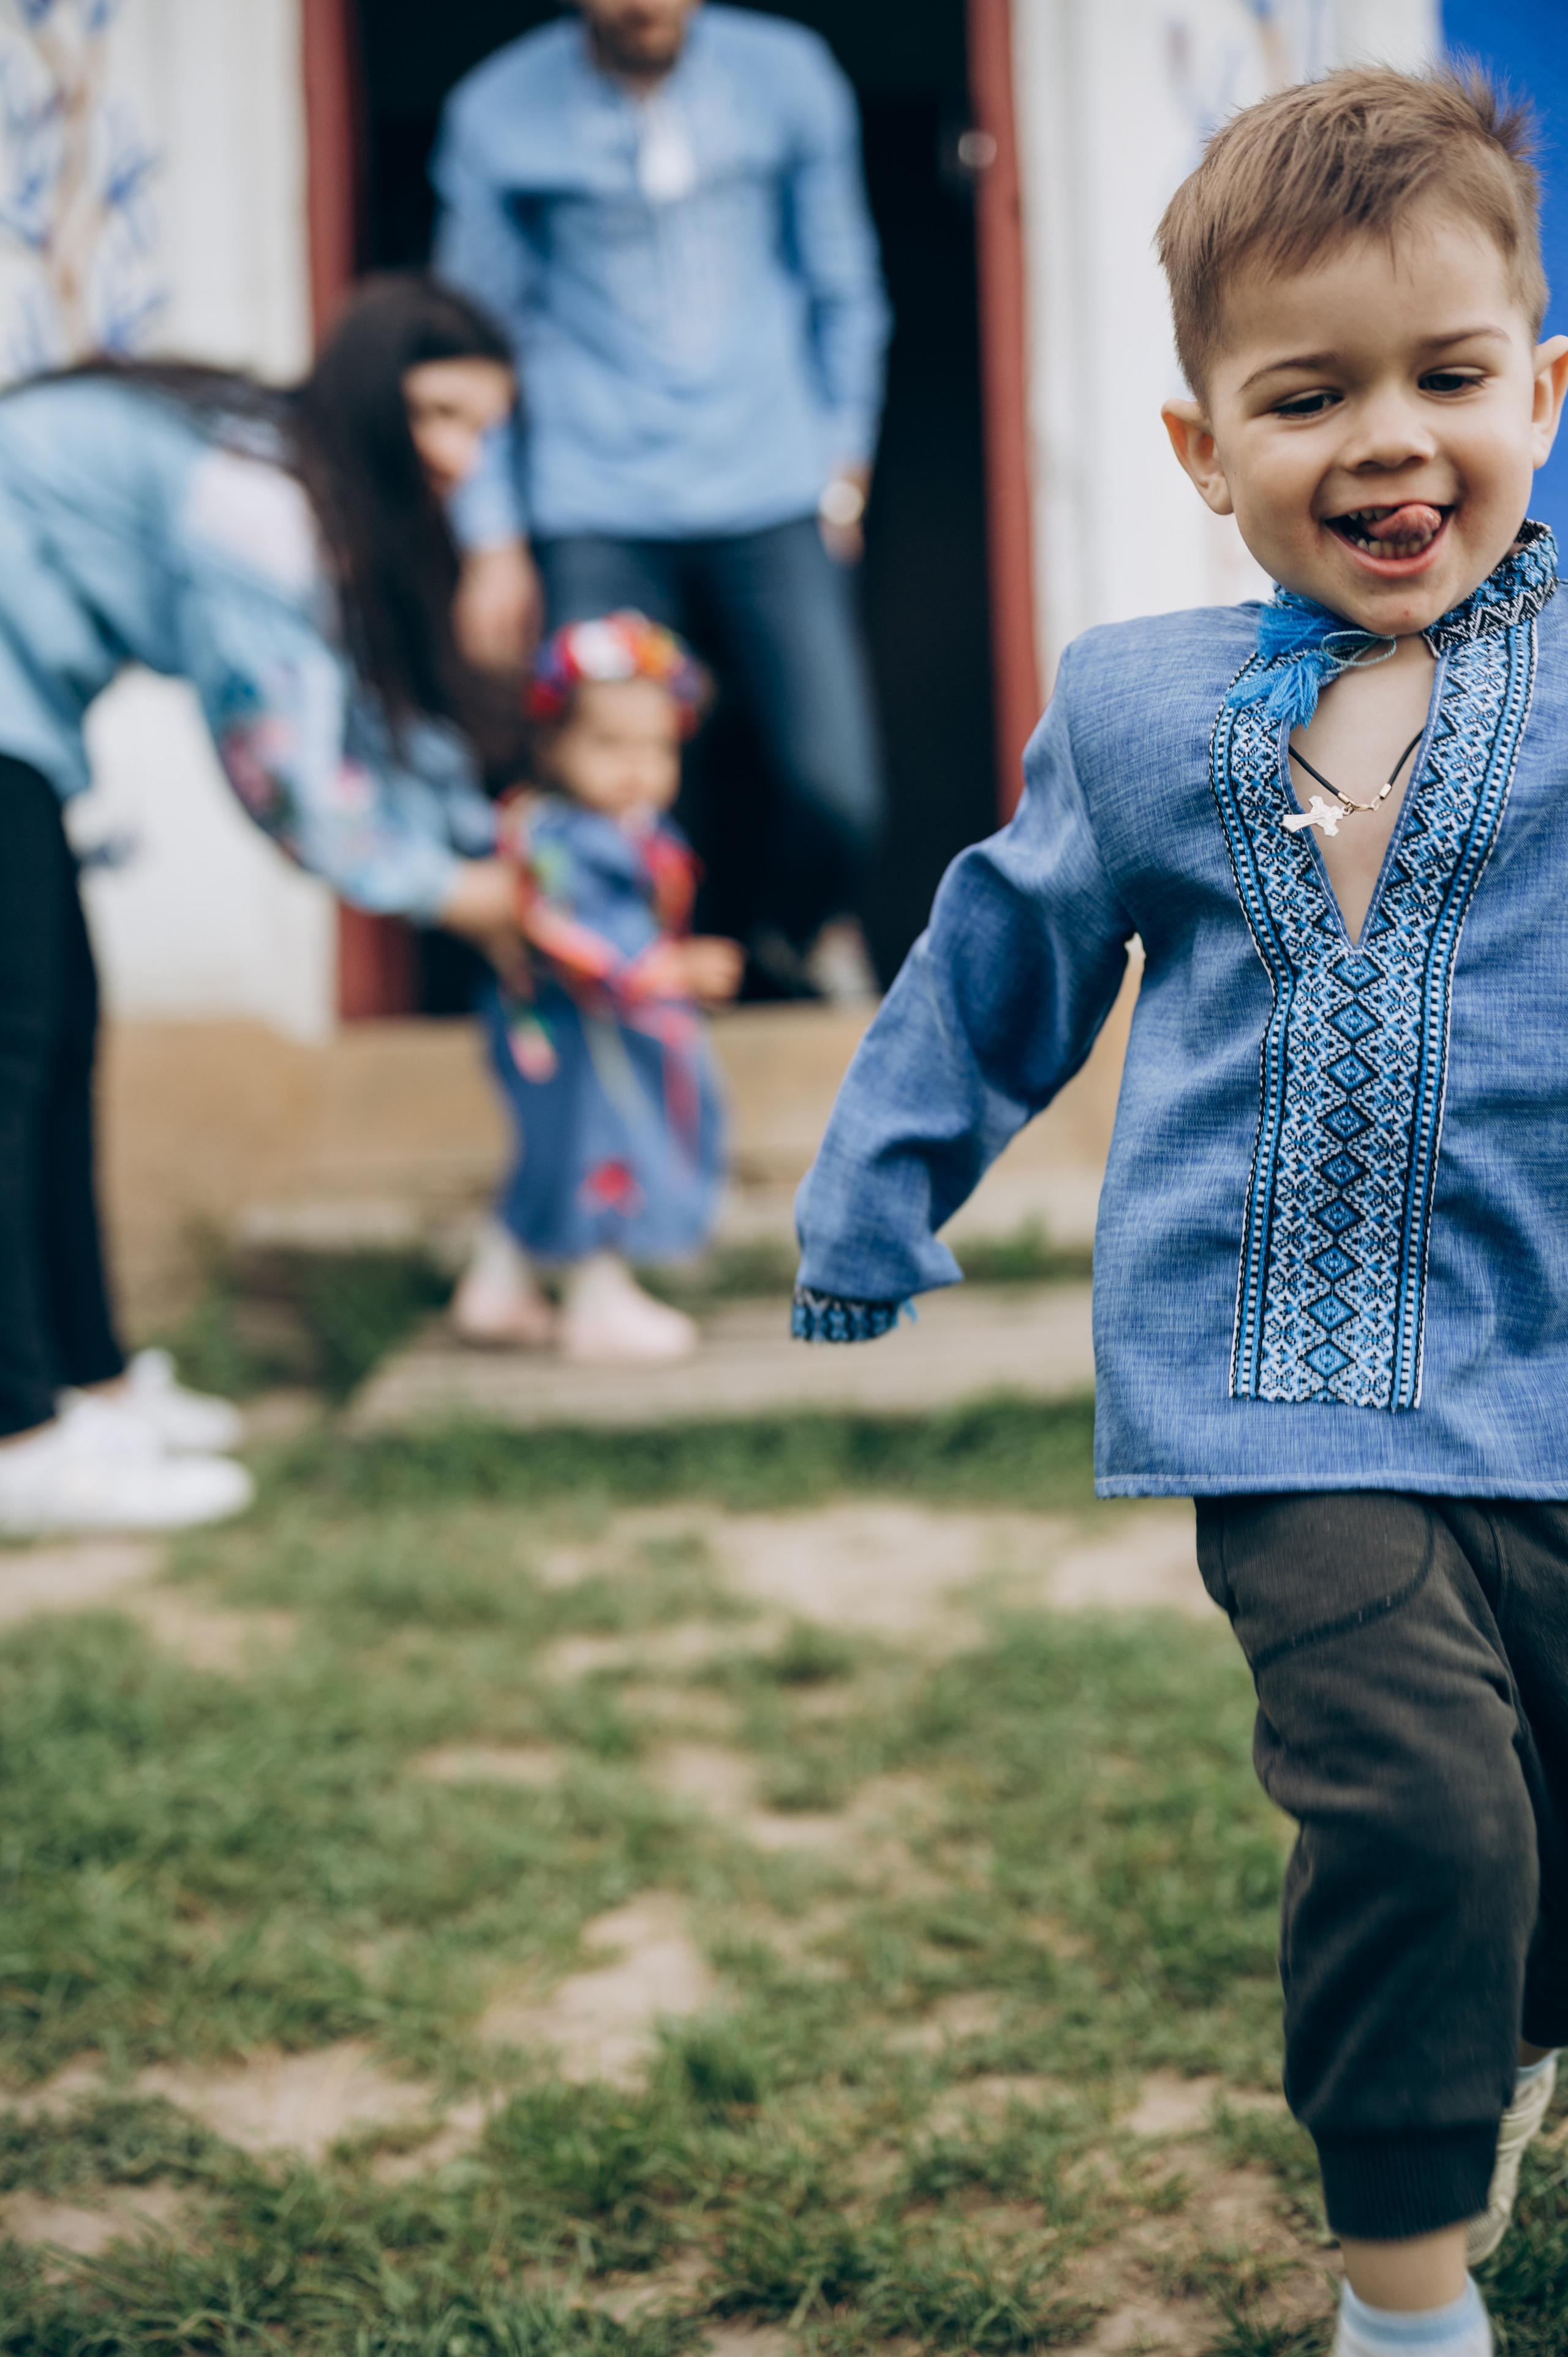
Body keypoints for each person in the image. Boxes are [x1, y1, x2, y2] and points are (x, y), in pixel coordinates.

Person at [792, 67, 1568, 2357]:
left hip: (1543, 1372)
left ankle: (1490, 2040)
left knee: (1527, 1850)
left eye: (1445, 378)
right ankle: (1401, 2296)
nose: (1386, 441)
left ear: (1536, 391)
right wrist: (874, 1190)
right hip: (1277, 1394)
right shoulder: (1137, 714)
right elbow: (993, 962)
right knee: (1416, 1812)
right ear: (1195, 445)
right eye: (1303, 393)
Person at [0, 273, 528, 1535]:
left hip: (22, 723)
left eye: (482, 431)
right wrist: (453, 891)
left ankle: (91, 1385)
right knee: (15, 1060)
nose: (458, 457)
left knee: (60, 1040)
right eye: (438, 415)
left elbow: (358, 728)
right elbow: (286, 769)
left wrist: (472, 844)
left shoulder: (282, 478)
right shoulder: (260, 506)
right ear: (366, 395)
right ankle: (20, 1434)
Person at [429, 0, 891, 1003]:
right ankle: (624, 1005)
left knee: (835, 783)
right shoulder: (497, 112)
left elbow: (844, 285)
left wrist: (843, 466)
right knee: (598, 790)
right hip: (594, 497)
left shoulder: (790, 74)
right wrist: (492, 537)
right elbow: (474, 340)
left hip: (773, 485)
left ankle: (788, 943)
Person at [453, 610, 741, 1364]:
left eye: (656, 747)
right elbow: (566, 930)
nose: (636, 767)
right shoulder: (557, 838)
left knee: (554, 1153)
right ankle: (595, 1299)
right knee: (600, 1150)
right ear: (550, 743)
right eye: (609, 745)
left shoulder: (634, 832)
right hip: (572, 1029)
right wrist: (665, 969)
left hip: (591, 1027)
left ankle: (499, 1283)